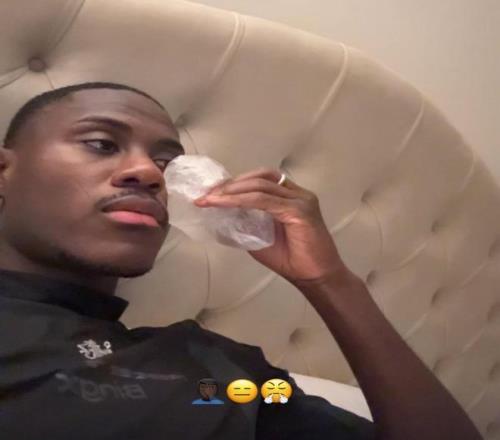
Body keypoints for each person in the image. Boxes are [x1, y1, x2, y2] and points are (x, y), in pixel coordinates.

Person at [0, 82, 482, 440]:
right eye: (102, 144)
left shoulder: (224, 375)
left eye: (167, 163)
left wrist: (330, 281)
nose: (149, 173)